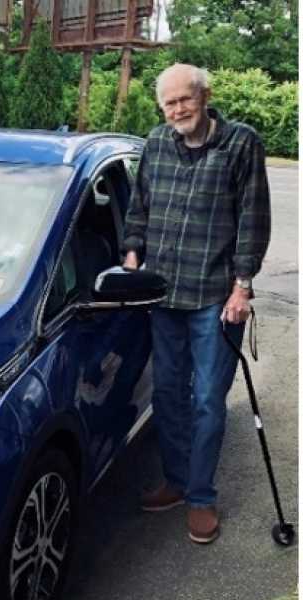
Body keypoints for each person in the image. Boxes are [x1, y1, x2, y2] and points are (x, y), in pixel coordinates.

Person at [122, 63, 271, 544]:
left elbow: (253, 217)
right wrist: (131, 253)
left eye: (185, 99)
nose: (177, 110)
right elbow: (138, 207)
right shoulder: (155, 143)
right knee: (167, 396)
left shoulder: (241, 143)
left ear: (205, 96)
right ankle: (176, 480)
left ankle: (201, 496)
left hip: (215, 297)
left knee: (207, 400)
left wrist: (242, 286)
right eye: (169, 103)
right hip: (162, 292)